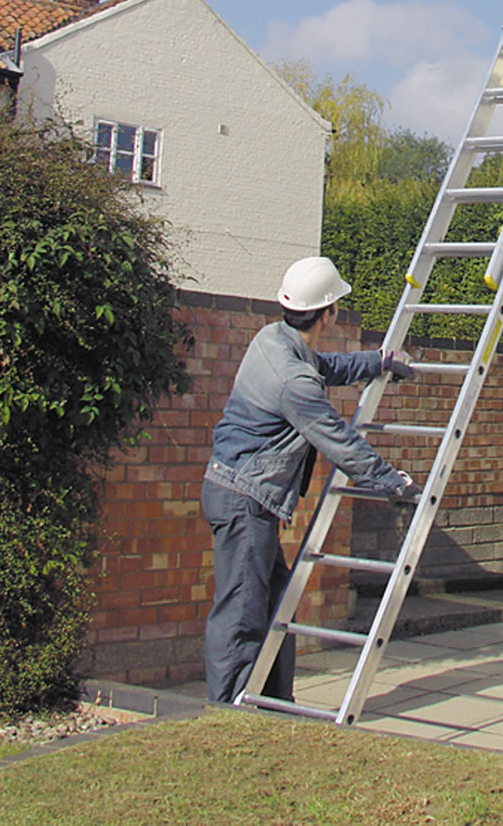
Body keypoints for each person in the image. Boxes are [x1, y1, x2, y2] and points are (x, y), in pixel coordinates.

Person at [201, 254, 419, 704]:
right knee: (242, 612)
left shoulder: (273, 341)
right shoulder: (291, 380)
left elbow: (327, 368)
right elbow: (336, 438)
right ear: (328, 312)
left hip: (241, 494)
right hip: (243, 500)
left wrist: (379, 361)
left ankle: (274, 702)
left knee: (274, 606)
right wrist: (390, 481)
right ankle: (228, 710)